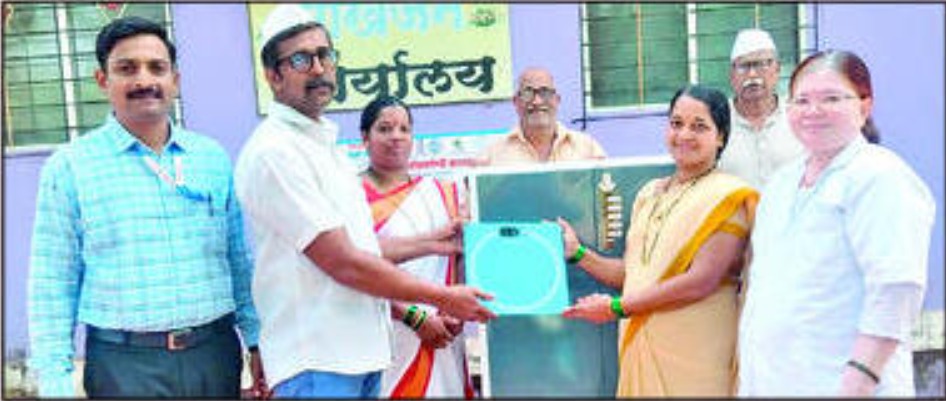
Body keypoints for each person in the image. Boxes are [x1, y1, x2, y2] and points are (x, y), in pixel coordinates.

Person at [233, 5, 495, 399]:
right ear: (273, 75)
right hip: (319, 362)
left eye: (325, 55)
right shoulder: (275, 152)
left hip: (364, 356)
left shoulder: (326, 147)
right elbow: (342, 261)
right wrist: (442, 297)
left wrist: (434, 242)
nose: (318, 68)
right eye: (301, 59)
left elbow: (363, 249)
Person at [27, 16, 263, 398]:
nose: (144, 80)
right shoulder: (71, 167)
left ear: (175, 80)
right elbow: (52, 282)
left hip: (214, 355)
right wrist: (55, 381)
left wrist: (256, 340)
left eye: (157, 67)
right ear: (102, 80)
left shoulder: (211, 158)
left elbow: (238, 259)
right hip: (124, 366)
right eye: (127, 68)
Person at [737, 50, 935, 397]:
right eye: (802, 101)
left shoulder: (880, 176)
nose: (813, 111)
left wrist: (858, 381)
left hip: (848, 387)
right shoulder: (782, 184)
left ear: (864, 106)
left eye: (831, 98)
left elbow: (896, 287)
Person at [560, 85, 758, 396]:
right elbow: (634, 276)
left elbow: (701, 280)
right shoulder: (648, 195)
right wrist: (578, 253)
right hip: (643, 342)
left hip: (698, 352)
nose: (684, 135)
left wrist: (617, 307)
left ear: (720, 136)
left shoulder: (727, 196)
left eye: (699, 126)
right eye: (677, 123)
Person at [358, 95, 475, 398]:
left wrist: (455, 313)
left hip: (443, 336)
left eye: (404, 129)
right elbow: (353, 269)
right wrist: (414, 317)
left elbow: (460, 259)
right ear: (365, 138)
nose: (396, 137)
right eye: (384, 129)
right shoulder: (350, 196)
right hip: (383, 336)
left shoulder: (443, 193)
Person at [718, 28, 805, 190]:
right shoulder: (717, 120)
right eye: (744, 66)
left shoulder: (799, 116)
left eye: (762, 65)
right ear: (732, 75)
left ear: (777, 69)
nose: (752, 75)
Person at [478, 66, 607, 166]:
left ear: (557, 100)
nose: (537, 101)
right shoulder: (492, 155)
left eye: (545, 92)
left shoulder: (588, 149)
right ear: (516, 102)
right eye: (528, 93)